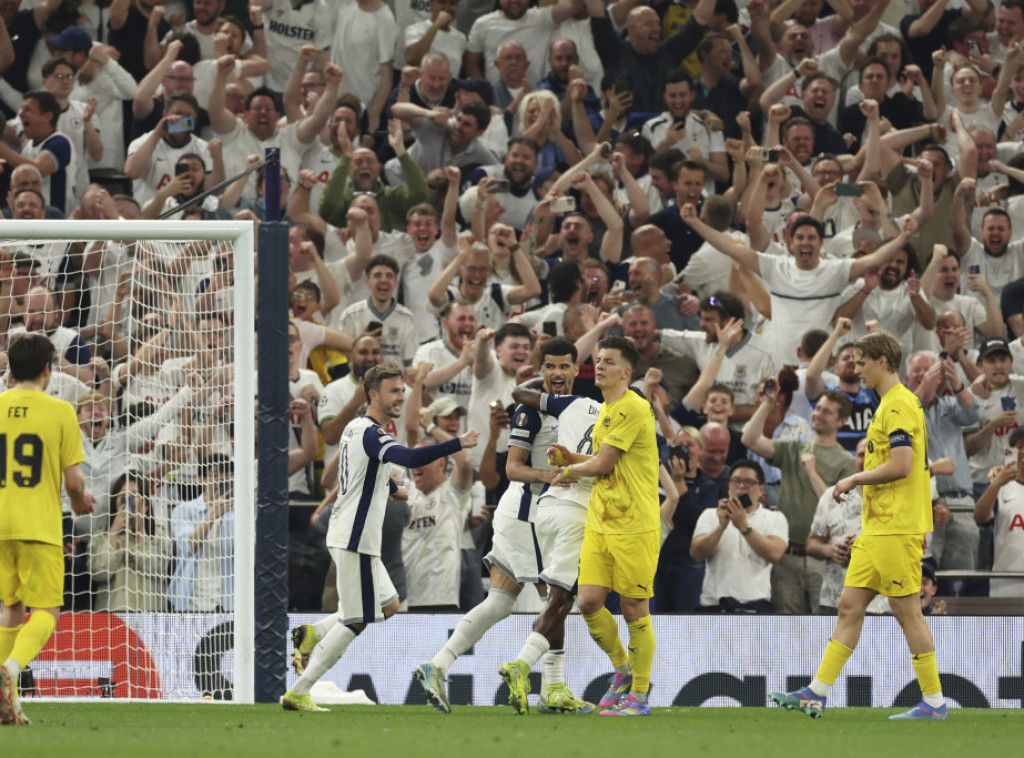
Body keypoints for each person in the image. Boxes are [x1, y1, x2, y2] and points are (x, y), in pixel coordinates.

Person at [770, 331, 946, 721]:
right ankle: (816, 693)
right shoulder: (889, 405)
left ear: (883, 361)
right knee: (849, 607)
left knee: (907, 612)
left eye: (862, 361)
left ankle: (934, 702)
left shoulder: (898, 404)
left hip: (896, 527)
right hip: (877, 527)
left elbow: (901, 465)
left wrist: (853, 478)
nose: (857, 368)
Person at [284, 362, 478, 711]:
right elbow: (410, 457)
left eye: (402, 390)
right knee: (356, 620)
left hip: (356, 536)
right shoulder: (372, 434)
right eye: (394, 391)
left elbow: (364, 469)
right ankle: (299, 690)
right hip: (355, 537)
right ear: (373, 394)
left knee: (388, 606)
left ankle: (313, 633)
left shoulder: (356, 428)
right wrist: (457, 443)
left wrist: (391, 488)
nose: (400, 396)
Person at [414, 338, 583, 715]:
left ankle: (437, 664)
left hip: (537, 511)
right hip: (530, 511)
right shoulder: (531, 410)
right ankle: (550, 686)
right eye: (550, 366)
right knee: (559, 598)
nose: (557, 373)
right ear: (542, 369)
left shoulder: (579, 407)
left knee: (501, 601)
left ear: (576, 369)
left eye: (564, 366)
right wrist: (546, 475)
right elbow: (512, 467)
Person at [536, 335, 660, 716]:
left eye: (609, 361)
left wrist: (569, 470)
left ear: (627, 372)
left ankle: (639, 696)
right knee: (589, 602)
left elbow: (603, 465)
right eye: (599, 359)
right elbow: (601, 459)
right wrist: (570, 457)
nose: (600, 366)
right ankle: (622, 670)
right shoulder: (607, 409)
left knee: (634, 607)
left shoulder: (632, 408)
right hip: (600, 522)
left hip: (634, 525)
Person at [0, 334, 95, 726]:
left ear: (11, 369)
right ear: (47, 370)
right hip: (38, 525)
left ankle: (7, 703)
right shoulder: (60, 412)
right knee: (46, 611)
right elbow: (73, 481)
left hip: (0, 524)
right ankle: (9, 670)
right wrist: (79, 501)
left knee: (10, 608)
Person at [690, 459, 788, 612]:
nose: (741, 486)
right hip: (714, 604)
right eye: (736, 481)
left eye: (748, 482)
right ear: (729, 486)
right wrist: (721, 527)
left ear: (761, 489)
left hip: (756, 605)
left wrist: (743, 526)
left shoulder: (774, 518)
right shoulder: (710, 515)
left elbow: (775, 554)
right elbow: (696, 554)